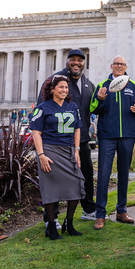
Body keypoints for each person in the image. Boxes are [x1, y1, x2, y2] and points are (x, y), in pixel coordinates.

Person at [37, 49, 96, 223]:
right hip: (55, 142)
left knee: (85, 175)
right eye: (73, 60)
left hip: (81, 140)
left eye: (80, 60)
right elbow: (41, 108)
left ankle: (89, 209)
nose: (76, 63)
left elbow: (93, 109)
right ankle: (51, 217)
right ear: (67, 61)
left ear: (84, 63)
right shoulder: (54, 81)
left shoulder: (88, 84)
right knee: (53, 179)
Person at [90, 55, 135, 230]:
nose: (119, 66)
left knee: (123, 174)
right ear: (111, 65)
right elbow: (92, 109)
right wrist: (99, 99)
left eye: (122, 64)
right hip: (107, 136)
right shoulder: (102, 86)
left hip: (128, 136)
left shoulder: (134, 86)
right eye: (116, 64)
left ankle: (122, 211)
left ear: (126, 66)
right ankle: (100, 214)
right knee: (104, 175)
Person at [30, 75, 84, 240]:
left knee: (77, 184)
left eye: (66, 87)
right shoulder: (43, 107)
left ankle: (69, 223)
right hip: (50, 151)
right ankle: (52, 226)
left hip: (68, 151)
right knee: (51, 190)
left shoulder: (72, 106)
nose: (64, 90)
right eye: (61, 87)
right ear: (52, 89)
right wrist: (41, 155)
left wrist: (76, 150)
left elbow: (77, 129)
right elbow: (36, 133)